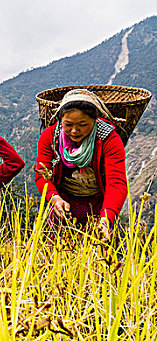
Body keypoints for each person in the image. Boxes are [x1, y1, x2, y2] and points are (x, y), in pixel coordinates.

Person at [35, 89, 128, 238]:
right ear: (60, 120)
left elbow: (116, 183)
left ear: (95, 120)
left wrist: (106, 218)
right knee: (56, 253)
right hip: (64, 203)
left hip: (99, 203)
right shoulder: (50, 137)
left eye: (83, 124)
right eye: (68, 124)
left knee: (100, 253)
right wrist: (54, 198)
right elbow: (42, 175)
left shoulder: (108, 139)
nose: (74, 130)